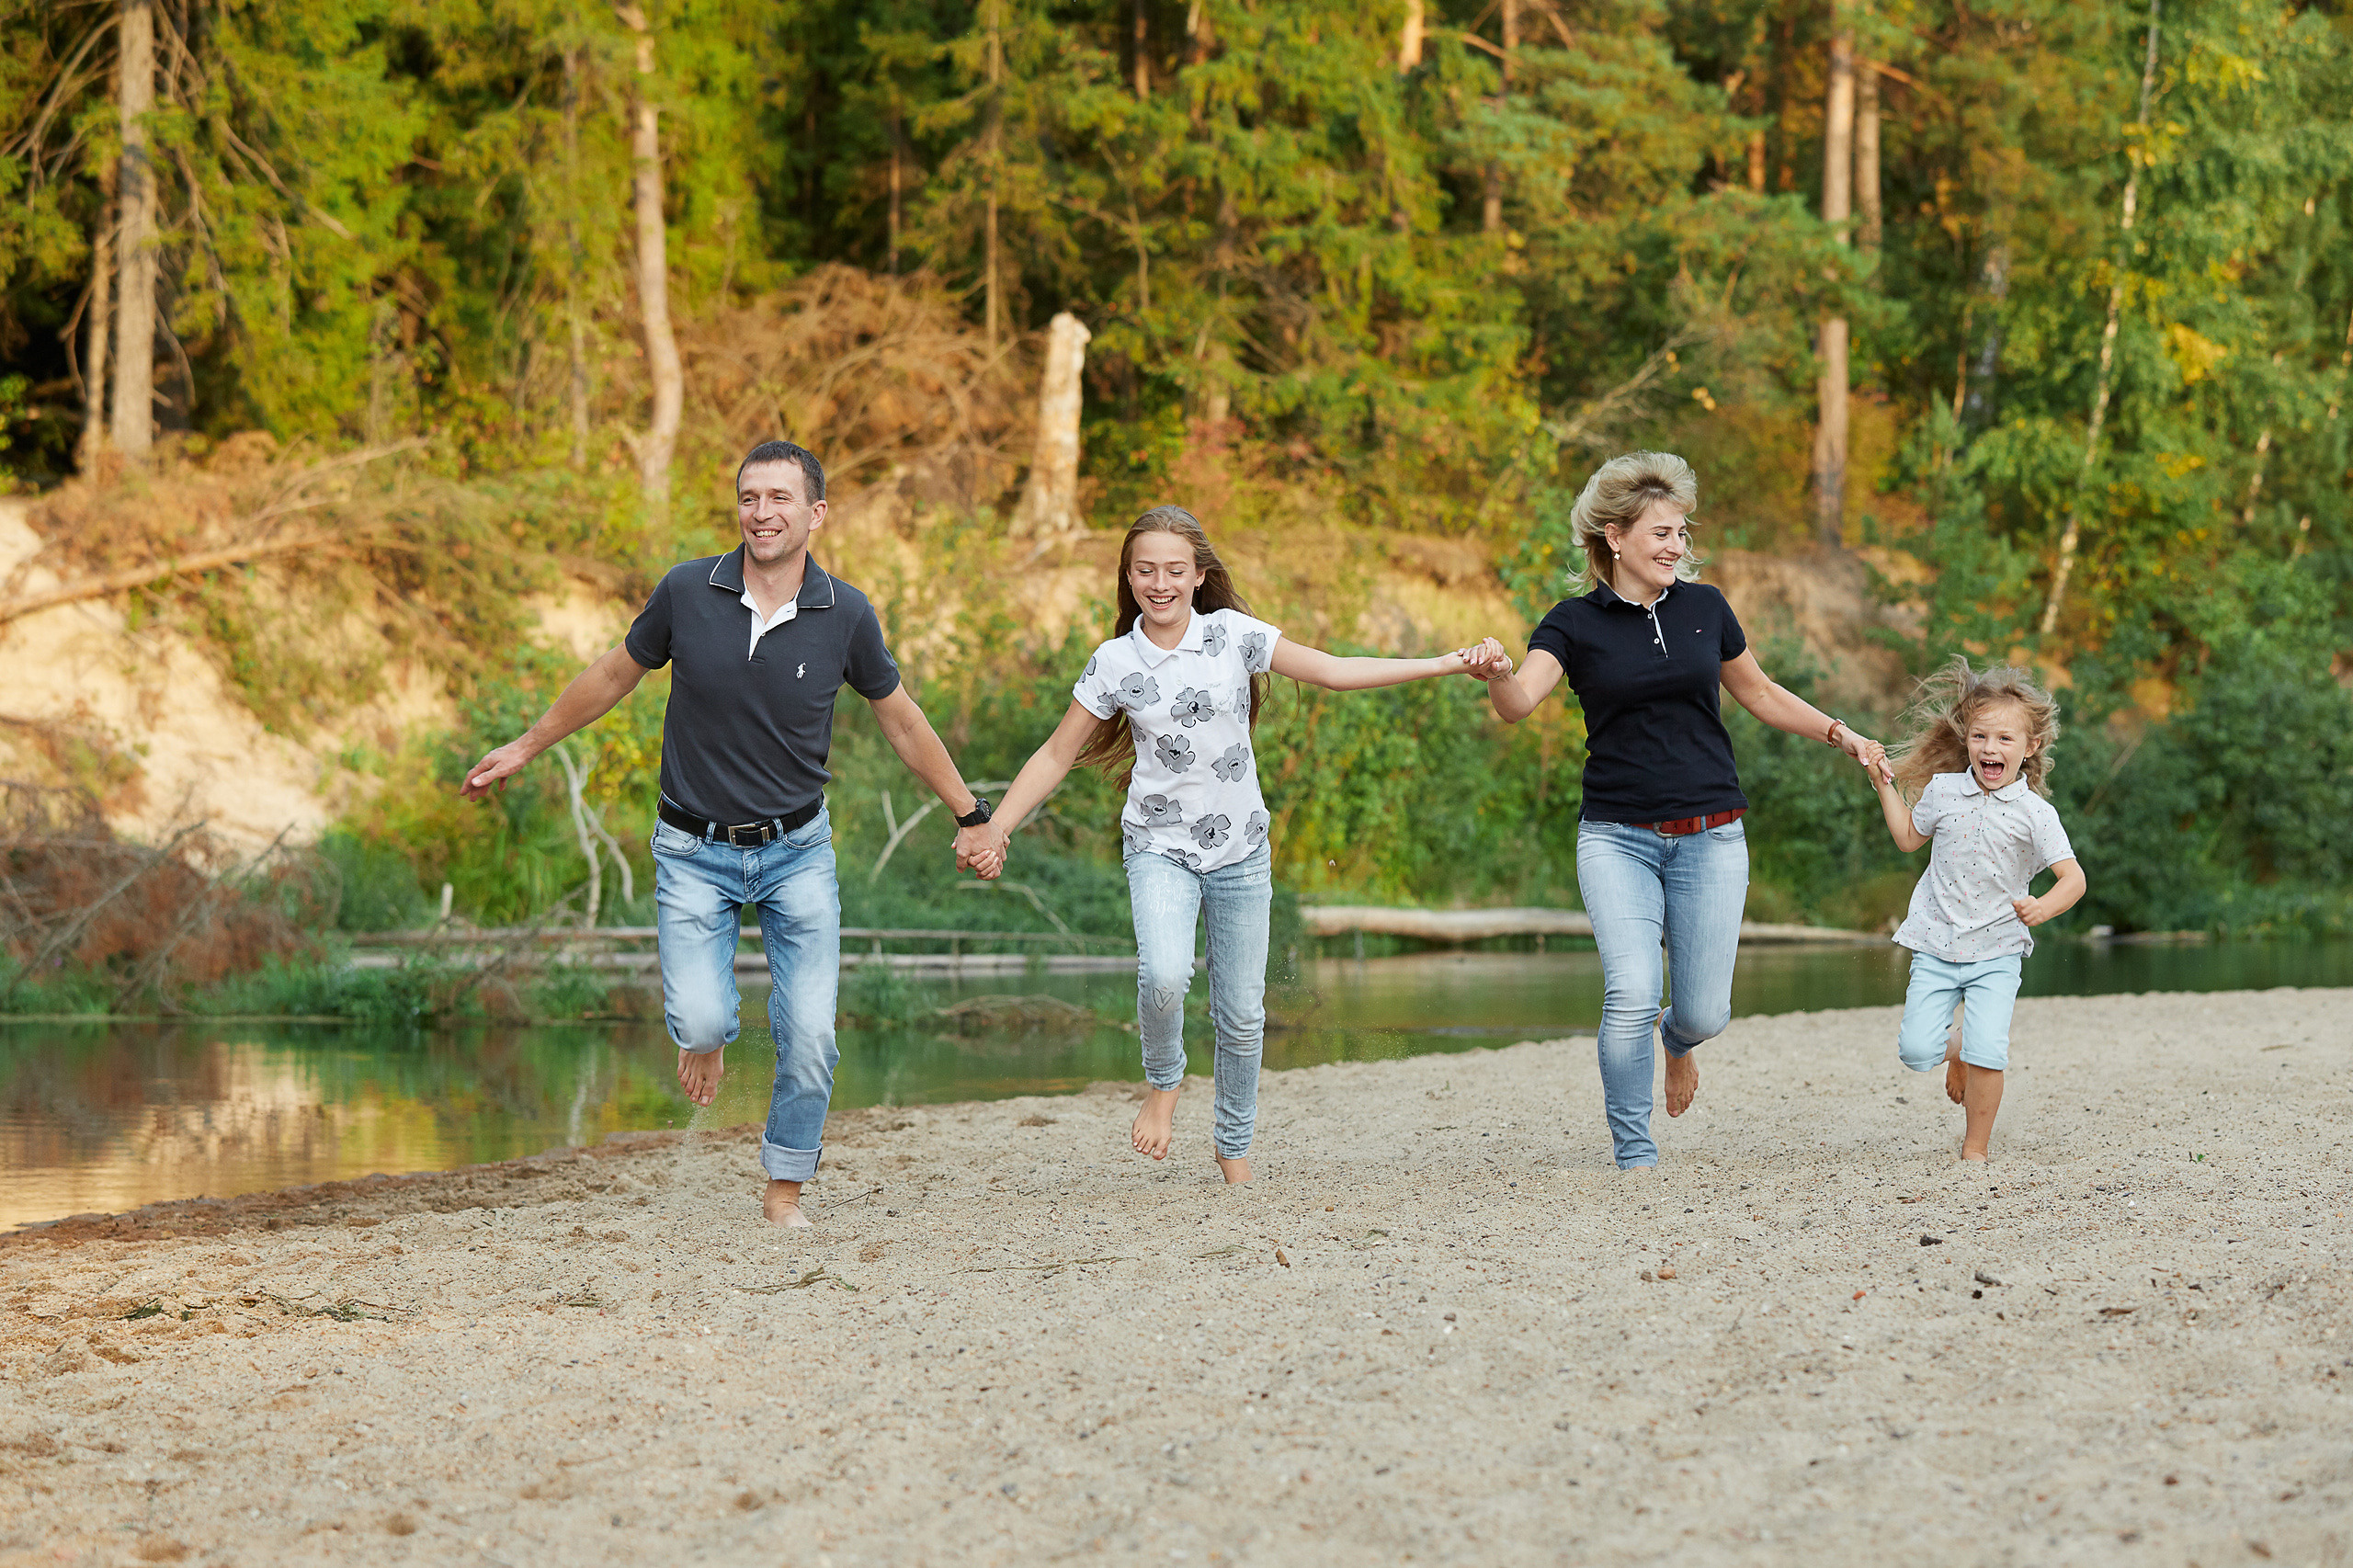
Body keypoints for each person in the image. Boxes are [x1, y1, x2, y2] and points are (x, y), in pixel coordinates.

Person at [460, 439, 997, 1228]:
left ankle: (785, 1190)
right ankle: (704, 1033)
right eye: (750, 497)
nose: (762, 513)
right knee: (706, 1019)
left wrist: (971, 813)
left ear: (815, 513)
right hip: (691, 851)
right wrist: (527, 744)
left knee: (811, 1032)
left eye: (780, 498)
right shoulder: (686, 590)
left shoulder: (844, 613)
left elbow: (902, 720)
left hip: (797, 852)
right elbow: (614, 673)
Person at [967, 505, 1500, 1184]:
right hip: (1158, 846)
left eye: (1174, 570)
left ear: (1199, 575)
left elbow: (1334, 671)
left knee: (1244, 1017)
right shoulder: (1114, 661)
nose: (1159, 583)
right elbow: (1055, 752)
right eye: (1145, 570)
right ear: (1128, 576)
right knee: (1163, 976)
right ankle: (1163, 1084)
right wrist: (999, 825)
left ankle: (1234, 1150)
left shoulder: (1234, 637)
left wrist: (1449, 664)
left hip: (1241, 850)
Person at [1466, 451, 1887, 1172]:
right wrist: (1498, 674)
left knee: (1703, 1015)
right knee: (1629, 990)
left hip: (1712, 836)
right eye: (1661, 532)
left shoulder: (1706, 609)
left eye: (1681, 533)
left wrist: (1840, 733)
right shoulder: (1571, 624)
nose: (1676, 546)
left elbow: (1759, 693)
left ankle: (1678, 1043)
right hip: (1617, 838)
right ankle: (1635, 1154)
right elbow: (1518, 705)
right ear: (1615, 537)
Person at [1856, 658, 2086, 1162]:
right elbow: (1908, 839)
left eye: (2005, 740)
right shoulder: (1943, 791)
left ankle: (1974, 1150)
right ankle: (1951, 1049)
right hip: (1937, 943)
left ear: (2030, 749)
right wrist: (1881, 783)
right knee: (1916, 1051)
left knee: (1989, 1052)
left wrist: (2042, 908)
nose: (1991, 749)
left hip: (1998, 950)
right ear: (1968, 742)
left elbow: (2073, 879)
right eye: (1981, 737)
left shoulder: (2036, 814)